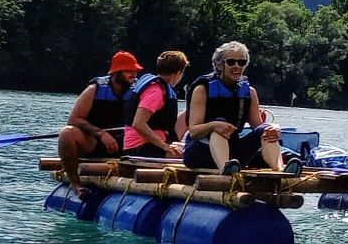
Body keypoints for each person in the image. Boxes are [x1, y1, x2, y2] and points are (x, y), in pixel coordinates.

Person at [184, 41, 290, 175]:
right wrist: (213, 125)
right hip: (200, 153)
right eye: (231, 62)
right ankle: (225, 169)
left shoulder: (249, 92)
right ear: (219, 64)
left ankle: (280, 168)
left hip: (233, 154)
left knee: (265, 130)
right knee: (219, 125)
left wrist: (272, 131)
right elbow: (193, 131)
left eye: (241, 62)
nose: (236, 66)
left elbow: (258, 127)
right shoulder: (202, 90)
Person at [57, 51, 143, 195]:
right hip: (96, 142)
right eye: (129, 71)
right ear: (117, 72)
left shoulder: (138, 91)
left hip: (127, 143)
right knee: (67, 134)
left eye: (135, 71)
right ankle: (76, 185)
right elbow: (74, 119)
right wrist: (101, 133)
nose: (134, 75)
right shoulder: (94, 90)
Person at [122, 51, 189, 160]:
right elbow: (138, 124)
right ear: (177, 73)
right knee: (192, 156)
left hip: (153, 144)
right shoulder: (156, 92)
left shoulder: (159, 86)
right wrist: (165, 146)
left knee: (189, 148)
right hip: (140, 147)